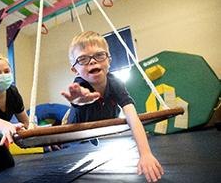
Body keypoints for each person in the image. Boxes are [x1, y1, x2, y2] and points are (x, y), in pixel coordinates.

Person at [61, 31, 164, 182]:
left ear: (109, 60)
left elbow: (133, 117)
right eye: (83, 59)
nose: (92, 61)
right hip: (78, 122)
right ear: (75, 69)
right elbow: (80, 100)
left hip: (106, 116)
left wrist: (145, 153)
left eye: (99, 55)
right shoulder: (80, 86)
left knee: (115, 107)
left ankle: (93, 135)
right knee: (81, 104)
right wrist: (80, 100)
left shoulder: (115, 83)